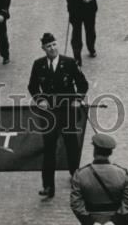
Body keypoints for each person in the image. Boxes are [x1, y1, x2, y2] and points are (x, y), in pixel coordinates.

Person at [27, 31, 89, 199]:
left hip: (67, 111)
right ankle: (48, 186)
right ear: (43, 49)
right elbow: (32, 86)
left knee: (71, 146)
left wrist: (78, 99)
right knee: (49, 149)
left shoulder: (69, 63)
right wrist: (40, 100)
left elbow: (82, 84)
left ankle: (75, 176)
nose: (52, 48)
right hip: (49, 115)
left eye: (54, 44)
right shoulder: (38, 65)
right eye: (48, 46)